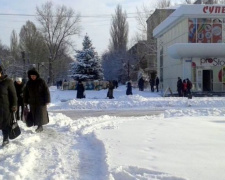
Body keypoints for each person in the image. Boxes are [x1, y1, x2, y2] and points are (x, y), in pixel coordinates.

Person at [23, 68, 50, 133]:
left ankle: (40, 126)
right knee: (34, 114)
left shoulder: (41, 81)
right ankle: (37, 125)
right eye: (31, 76)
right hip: (32, 102)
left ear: (37, 75)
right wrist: (25, 101)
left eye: (34, 76)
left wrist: (47, 100)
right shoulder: (29, 83)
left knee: (40, 114)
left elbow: (46, 91)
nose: (33, 77)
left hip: (41, 102)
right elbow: (26, 93)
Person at [0, 65, 17, 146]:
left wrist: (14, 105)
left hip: (5, 107)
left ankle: (5, 139)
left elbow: (13, 95)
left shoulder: (8, 81)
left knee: (5, 124)